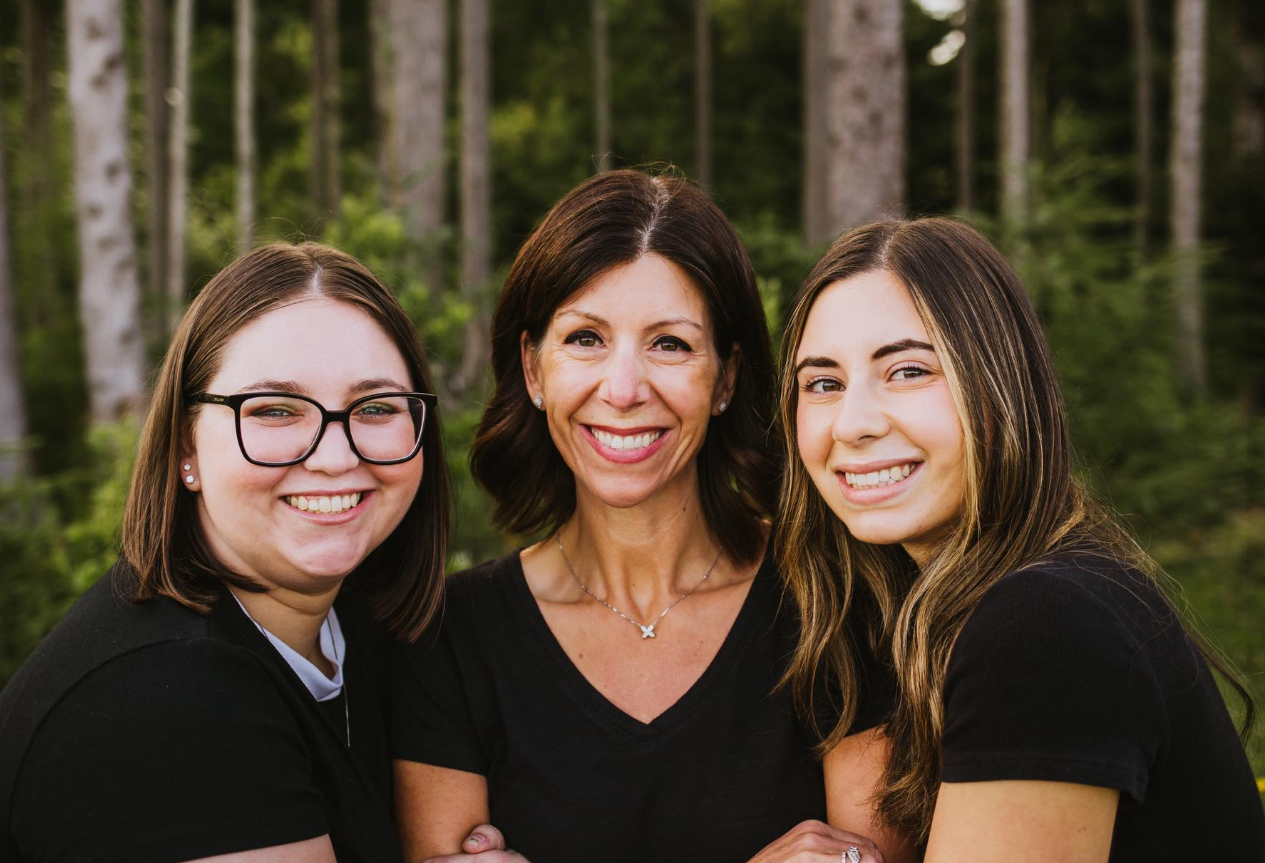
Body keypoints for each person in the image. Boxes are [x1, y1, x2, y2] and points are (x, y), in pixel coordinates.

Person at [393, 171, 906, 863]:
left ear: (725, 377)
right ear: (533, 368)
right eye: (584, 338)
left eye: (669, 343)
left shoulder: (834, 597)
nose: (625, 389)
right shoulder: (450, 637)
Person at [777, 217, 1265, 861]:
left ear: (997, 388)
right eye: (824, 383)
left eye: (908, 371)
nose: (854, 423)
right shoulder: (932, 615)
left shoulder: (1045, 623)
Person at [0, 243, 450, 862]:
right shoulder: (165, 701)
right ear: (188, 444)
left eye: (375, 407)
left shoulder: (360, 631)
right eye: (273, 410)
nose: (336, 457)